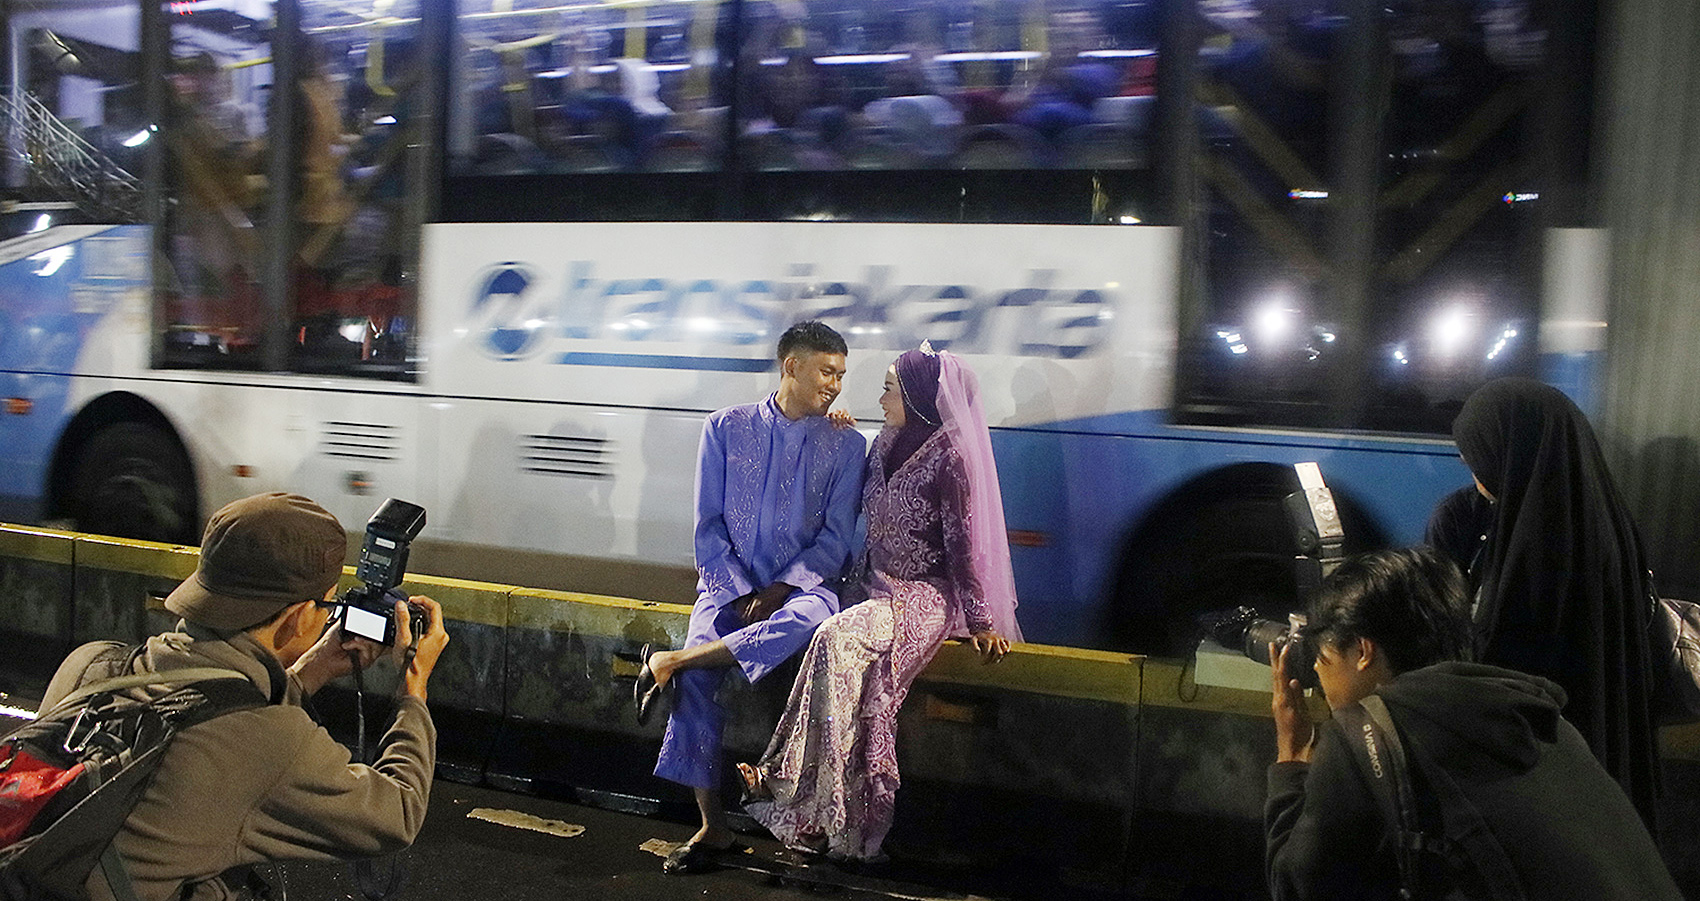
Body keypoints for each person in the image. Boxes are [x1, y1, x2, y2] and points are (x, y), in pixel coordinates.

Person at [37, 492, 450, 901]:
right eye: (328, 603)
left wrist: (313, 669)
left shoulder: (92, 664)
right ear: (300, 617)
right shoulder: (271, 740)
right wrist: (413, 688)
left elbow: (208, 703)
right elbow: (397, 812)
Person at [738, 344, 1022, 863]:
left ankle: (791, 783)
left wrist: (980, 619)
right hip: (872, 585)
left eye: (889, 387)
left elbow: (962, 545)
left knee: (834, 639)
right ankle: (814, 816)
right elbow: (858, 488)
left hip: (920, 598)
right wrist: (836, 428)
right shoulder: (886, 440)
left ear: (915, 395)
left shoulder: (951, 458)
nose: (879, 396)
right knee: (837, 666)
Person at [1266, 547, 1680, 900]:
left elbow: (1297, 886)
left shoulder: (1363, 734)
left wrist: (1291, 757)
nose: (1319, 677)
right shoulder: (1539, 717)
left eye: (1322, 659)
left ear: (1362, 651)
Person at [636, 320, 868, 875]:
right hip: (727, 590)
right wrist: (739, 591)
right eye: (826, 371)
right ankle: (712, 827)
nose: (835, 384)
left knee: (806, 621)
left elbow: (836, 539)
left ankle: (672, 660)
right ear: (792, 366)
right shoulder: (723, 428)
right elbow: (708, 526)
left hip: (801, 592)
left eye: (841, 374)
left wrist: (781, 588)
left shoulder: (848, 443)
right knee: (697, 682)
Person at [1451, 377, 1661, 825]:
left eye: (1478, 457)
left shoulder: (1539, 545)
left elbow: (1505, 666)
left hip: (1552, 773)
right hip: (1601, 753)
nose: (1474, 473)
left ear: (1515, 452)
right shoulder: (1605, 517)